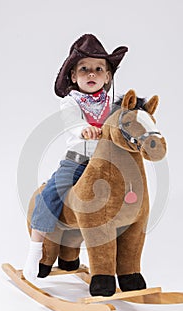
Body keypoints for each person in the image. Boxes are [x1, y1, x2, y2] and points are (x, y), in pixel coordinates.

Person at [23, 34, 128, 282]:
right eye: (84, 69)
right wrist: (84, 129)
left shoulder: (113, 103)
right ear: (73, 76)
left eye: (98, 69)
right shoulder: (71, 102)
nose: (91, 74)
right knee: (52, 192)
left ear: (107, 76)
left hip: (108, 163)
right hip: (78, 161)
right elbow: (71, 122)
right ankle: (35, 249)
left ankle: (122, 257)